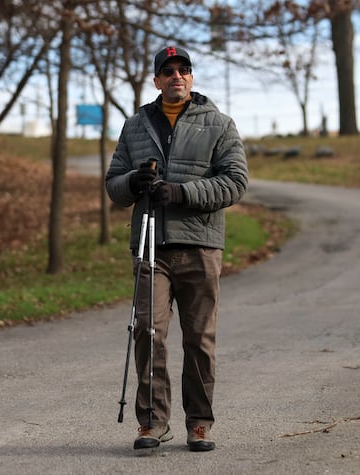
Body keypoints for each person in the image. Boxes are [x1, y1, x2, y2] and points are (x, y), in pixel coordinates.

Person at [105, 46, 248, 452]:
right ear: (156, 80)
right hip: (151, 246)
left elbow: (235, 182)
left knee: (199, 339)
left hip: (200, 246)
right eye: (168, 71)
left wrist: (180, 192)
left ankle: (199, 423)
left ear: (191, 77)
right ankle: (152, 423)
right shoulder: (135, 125)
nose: (176, 76)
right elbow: (114, 184)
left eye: (183, 70)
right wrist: (135, 181)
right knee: (147, 333)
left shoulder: (219, 124)